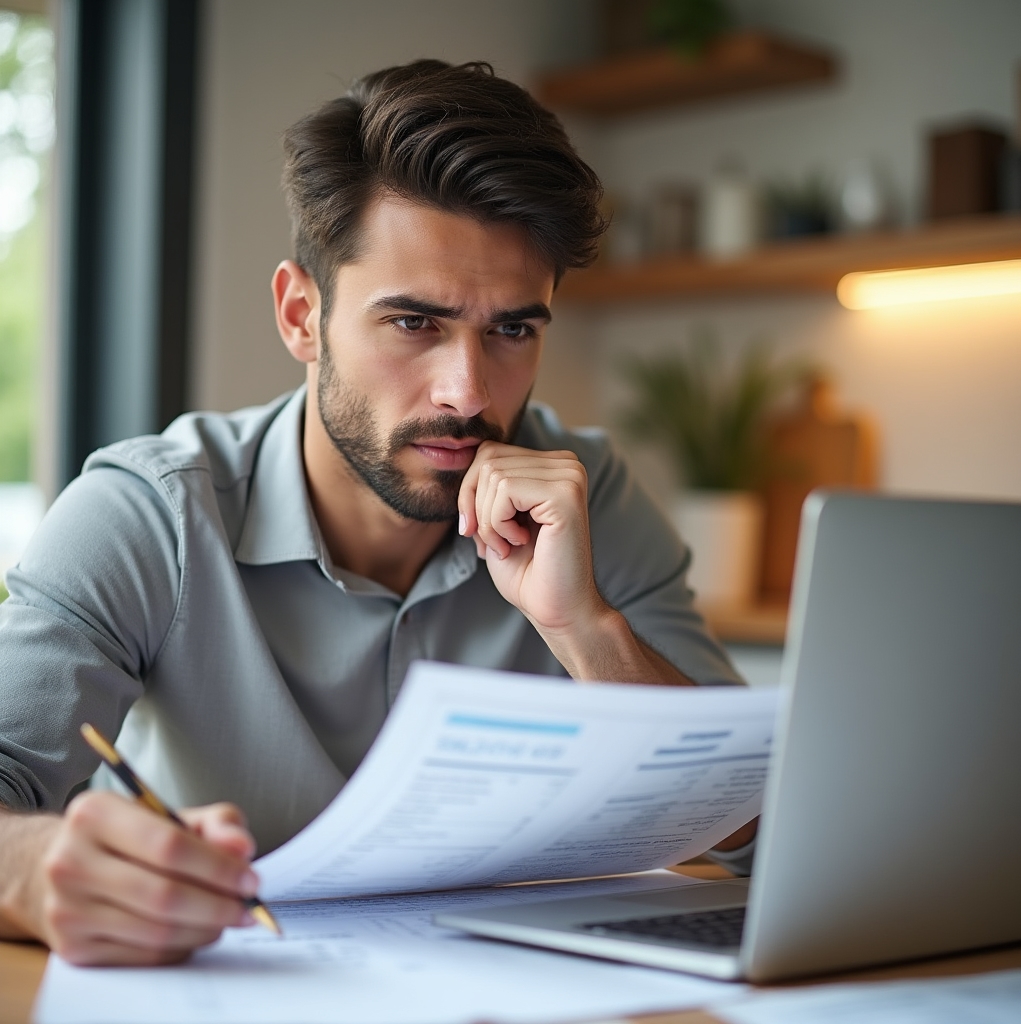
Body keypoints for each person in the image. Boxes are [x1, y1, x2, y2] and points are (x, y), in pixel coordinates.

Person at [0, 60, 753, 966]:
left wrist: (582, 625)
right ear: (300, 316)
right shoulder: (147, 514)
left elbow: (751, 818)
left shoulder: (585, 492)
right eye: (415, 323)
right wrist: (35, 870)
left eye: (513, 328)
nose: (468, 392)